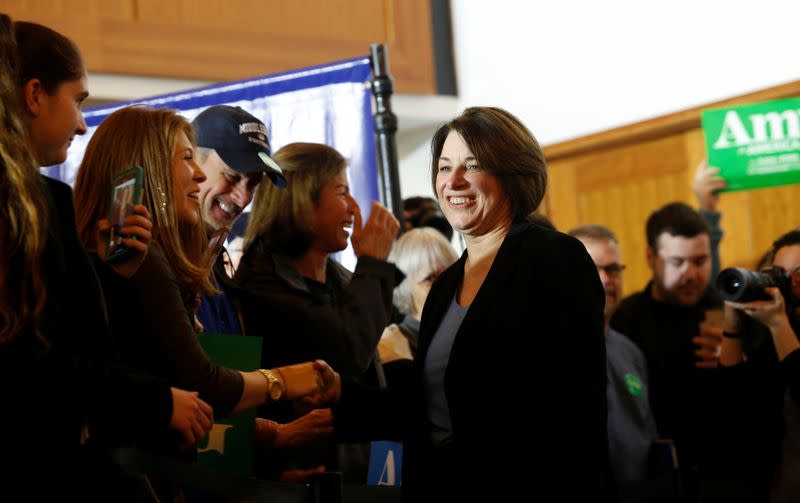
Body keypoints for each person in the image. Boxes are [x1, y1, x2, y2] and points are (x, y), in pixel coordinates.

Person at [324, 107, 612, 501]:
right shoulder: (445, 287)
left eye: (471, 165)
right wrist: (341, 392)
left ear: (512, 174)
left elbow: (572, 409)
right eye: (444, 168)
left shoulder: (554, 259)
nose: (453, 181)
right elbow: (430, 409)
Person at [71, 106, 332, 498]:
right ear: (153, 168)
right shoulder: (139, 258)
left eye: (254, 183)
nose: (243, 196)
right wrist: (283, 381)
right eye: (189, 159)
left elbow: (181, 398)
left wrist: (265, 447)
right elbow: (194, 384)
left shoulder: (209, 272)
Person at [4, 17, 214, 497]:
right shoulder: (36, 204)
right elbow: (45, 358)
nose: (82, 122)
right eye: (77, 100)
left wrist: (105, 271)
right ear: (34, 94)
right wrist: (158, 400)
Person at [234, 142, 400, 480]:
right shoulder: (263, 283)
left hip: (364, 471)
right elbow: (348, 353)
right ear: (301, 202)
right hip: (301, 477)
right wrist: (372, 264)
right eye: (341, 192)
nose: (353, 207)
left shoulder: (339, 279)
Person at [609, 202, 725, 496]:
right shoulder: (625, 318)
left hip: (725, 476)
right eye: (677, 262)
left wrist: (739, 359)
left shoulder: (730, 313)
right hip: (653, 481)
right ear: (651, 257)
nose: (691, 274)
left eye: (700, 261)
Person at [568, 224, 659, 493]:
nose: (607, 279)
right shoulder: (553, 349)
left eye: (613, 269)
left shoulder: (631, 351)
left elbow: (646, 432)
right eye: (595, 268)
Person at [719, 229, 800, 502]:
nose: (789, 285)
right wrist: (733, 327)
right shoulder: (770, 336)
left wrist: (779, 324)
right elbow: (731, 402)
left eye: (798, 274)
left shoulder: (780, 330)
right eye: (780, 274)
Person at [192, 105, 286, 335]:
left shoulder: (215, 264)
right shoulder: (156, 255)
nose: (243, 198)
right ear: (192, 161)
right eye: (232, 176)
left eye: (253, 184)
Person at [377, 227, 458, 385]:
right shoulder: (389, 347)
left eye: (448, 274)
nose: (443, 285)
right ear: (406, 287)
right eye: (429, 279)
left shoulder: (472, 329)